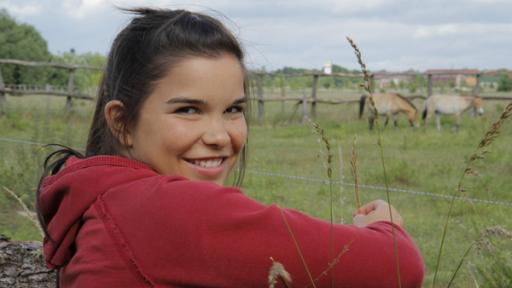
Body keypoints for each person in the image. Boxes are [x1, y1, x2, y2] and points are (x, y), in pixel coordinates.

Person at [37, 7, 424, 287]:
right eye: (189, 110)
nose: (220, 135)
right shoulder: (166, 210)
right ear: (122, 122)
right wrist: (384, 226)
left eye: (233, 109)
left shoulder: (101, 197)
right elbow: (398, 266)